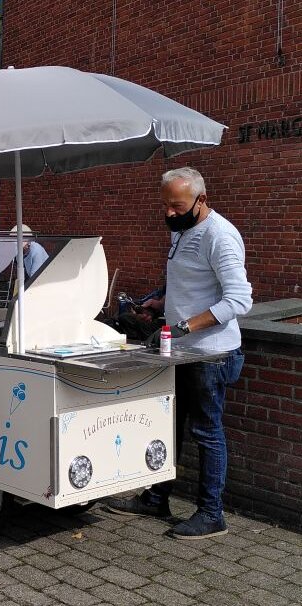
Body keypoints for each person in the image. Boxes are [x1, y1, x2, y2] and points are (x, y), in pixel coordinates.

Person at [105, 167, 251, 540]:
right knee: (167, 426)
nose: (169, 213)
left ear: (201, 200)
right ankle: (157, 497)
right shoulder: (184, 231)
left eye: (177, 205)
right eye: (165, 205)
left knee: (207, 432)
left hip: (209, 355)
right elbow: (193, 287)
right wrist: (159, 304)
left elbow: (239, 299)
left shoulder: (220, 236)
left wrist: (184, 327)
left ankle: (211, 513)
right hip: (183, 352)